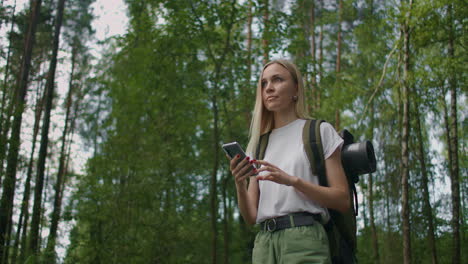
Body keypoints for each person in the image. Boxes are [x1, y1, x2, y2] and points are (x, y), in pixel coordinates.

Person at [227, 59, 350, 264]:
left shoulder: (319, 131)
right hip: (264, 245)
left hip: (304, 239)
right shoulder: (257, 144)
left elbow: (342, 200)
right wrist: (239, 183)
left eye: (277, 80)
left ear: (296, 89)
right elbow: (251, 217)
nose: (269, 88)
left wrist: (293, 181)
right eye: (264, 83)